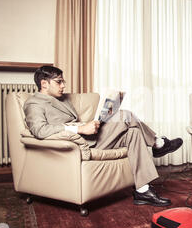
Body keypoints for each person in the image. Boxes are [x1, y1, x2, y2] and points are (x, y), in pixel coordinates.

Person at [23, 65, 183, 207]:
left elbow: (77, 121)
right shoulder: (34, 103)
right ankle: (158, 144)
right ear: (44, 83)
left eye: (63, 81)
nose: (63, 85)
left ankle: (142, 190)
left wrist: (94, 122)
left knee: (133, 132)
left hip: (90, 137)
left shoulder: (61, 100)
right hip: (79, 144)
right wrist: (79, 130)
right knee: (125, 115)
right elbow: (39, 130)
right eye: (59, 82)